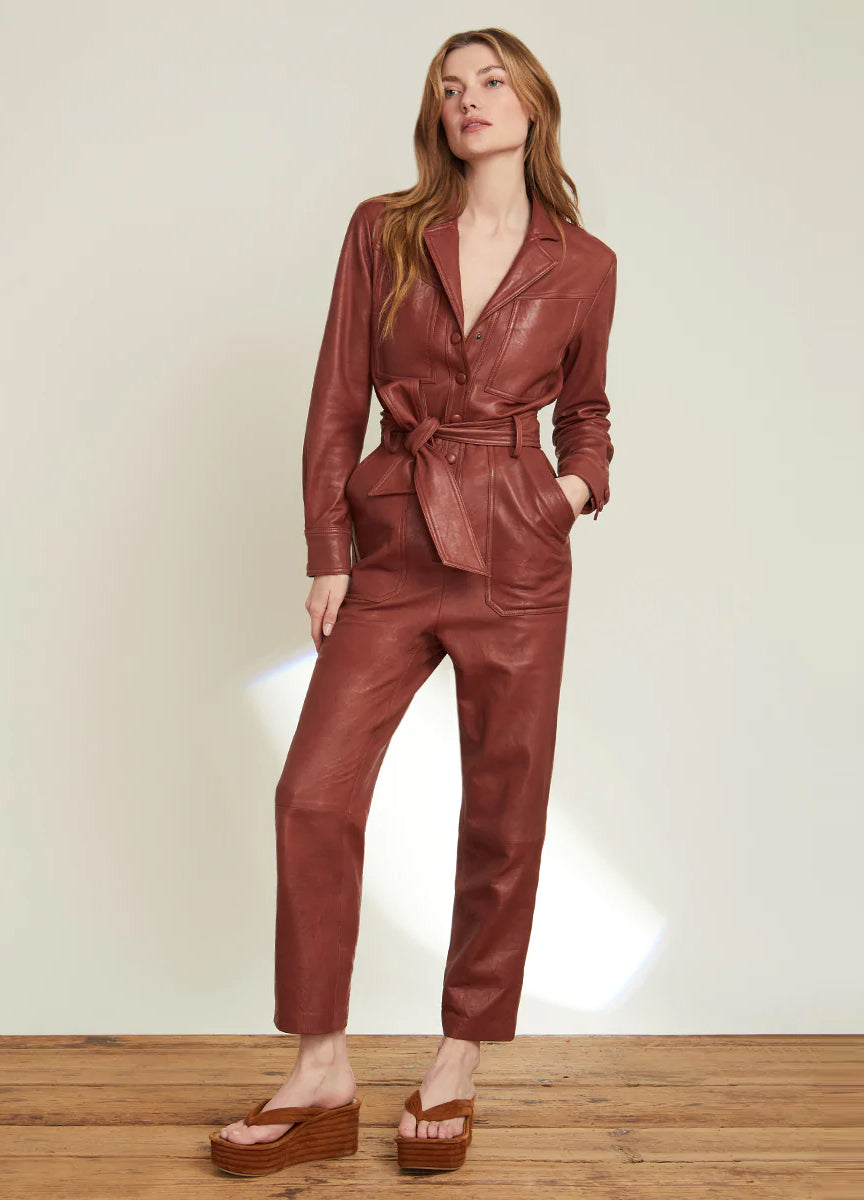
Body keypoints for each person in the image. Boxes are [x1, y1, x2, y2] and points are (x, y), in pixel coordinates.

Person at [210, 25, 617, 1175]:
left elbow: (587, 412)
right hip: (392, 544)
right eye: (449, 87)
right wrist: (327, 550)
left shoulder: (584, 263)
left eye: (489, 81)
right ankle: (321, 1070)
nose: (467, 99)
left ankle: (457, 1063)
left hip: (518, 557)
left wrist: (571, 491)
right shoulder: (383, 230)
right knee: (312, 793)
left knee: (501, 813)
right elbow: (337, 395)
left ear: (532, 104)